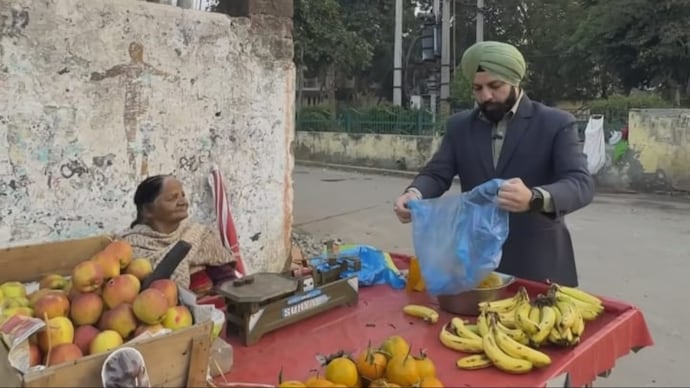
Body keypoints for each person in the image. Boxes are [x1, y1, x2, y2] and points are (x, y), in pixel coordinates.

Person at [393, 41, 594, 287]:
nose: (485, 96)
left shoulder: (555, 123)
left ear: (515, 81)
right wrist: (414, 193)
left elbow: (580, 183)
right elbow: (437, 173)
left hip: (538, 263)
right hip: (475, 263)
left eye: (494, 86)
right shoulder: (460, 126)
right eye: (477, 88)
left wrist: (534, 198)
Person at [118, 174, 236, 289]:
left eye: (183, 196)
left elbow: (227, 279)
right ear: (147, 210)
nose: (183, 202)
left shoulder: (200, 234)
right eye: (172, 198)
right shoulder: (128, 247)